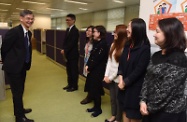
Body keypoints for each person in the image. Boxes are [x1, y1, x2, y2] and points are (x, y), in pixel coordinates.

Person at [140, 17, 187, 122]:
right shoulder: (156, 55)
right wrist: (143, 100)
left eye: (157, 31)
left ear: (169, 34)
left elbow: (167, 91)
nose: (154, 34)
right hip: (150, 108)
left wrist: (149, 107)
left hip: (169, 113)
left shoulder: (179, 58)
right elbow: (147, 79)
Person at [1, 10, 34, 122]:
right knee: (17, 92)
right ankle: (19, 117)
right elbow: (4, 48)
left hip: (23, 66)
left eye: (31, 18)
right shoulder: (14, 32)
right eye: (28, 18)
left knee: (20, 90)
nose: (30, 20)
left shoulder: (29, 33)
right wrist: (8, 62)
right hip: (13, 67)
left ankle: (20, 110)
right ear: (21, 18)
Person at [117, 18, 151, 122]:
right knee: (125, 112)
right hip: (124, 87)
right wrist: (120, 77)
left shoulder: (144, 48)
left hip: (135, 89)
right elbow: (121, 64)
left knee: (134, 116)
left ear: (136, 29)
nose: (127, 29)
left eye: (129, 27)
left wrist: (125, 82)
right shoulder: (128, 45)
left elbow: (139, 70)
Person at [104, 24, 128, 122]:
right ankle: (113, 115)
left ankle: (118, 119)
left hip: (118, 79)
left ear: (121, 34)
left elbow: (120, 66)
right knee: (112, 99)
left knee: (119, 101)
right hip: (110, 77)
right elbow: (109, 61)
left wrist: (111, 77)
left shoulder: (125, 48)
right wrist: (106, 75)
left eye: (115, 32)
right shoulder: (113, 44)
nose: (113, 33)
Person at [85, 25, 108, 117]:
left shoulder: (103, 44)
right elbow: (91, 56)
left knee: (97, 89)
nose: (93, 33)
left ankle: (98, 109)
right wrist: (87, 65)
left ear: (99, 33)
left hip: (98, 71)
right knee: (93, 89)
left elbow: (97, 59)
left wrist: (89, 67)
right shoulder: (96, 43)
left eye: (94, 32)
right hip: (93, 70)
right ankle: (95, 106)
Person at [61, 14, 79, 92]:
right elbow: (65, 41)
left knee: (73, 71)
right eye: (66, 20)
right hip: (68, 54)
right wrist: (63, 49)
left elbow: (72, 43)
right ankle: (70, 84)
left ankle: (74, 86)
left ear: (73, 20)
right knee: (68, 70)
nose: (67, 21)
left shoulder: (75, 31)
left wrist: (65, 50)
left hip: (73, 54)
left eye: (68, 20)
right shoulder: (68, 29)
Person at [80, 25, 94, 105]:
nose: (87, 32)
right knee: (88, 80)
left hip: (91, 65)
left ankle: (89, 97)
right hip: (86, 63)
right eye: (87, 30)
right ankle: (90, 96)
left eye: (89, 31)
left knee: (91, 81)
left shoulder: (94, 43)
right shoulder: (88, 42)